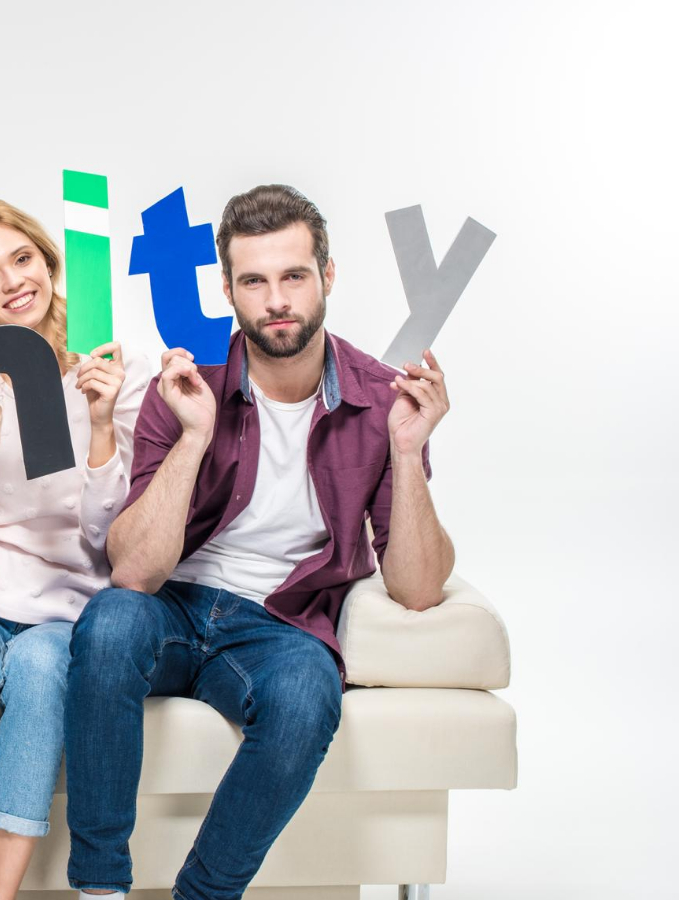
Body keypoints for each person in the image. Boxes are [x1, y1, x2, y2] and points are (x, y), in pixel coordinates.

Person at [65, 184, 456, 900]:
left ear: (327, 278)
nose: (276, 300)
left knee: (311, 693)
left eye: (294, 276)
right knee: (110, 621)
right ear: (228, 290)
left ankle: (203, 895)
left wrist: (406, 452)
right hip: (173, 605)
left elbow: (419, 587)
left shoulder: (379, 398)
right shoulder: (186, 385)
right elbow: (135, 572)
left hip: (281, 624)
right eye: (254, 281)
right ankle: (99, 888)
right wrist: (194, 435)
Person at [0, 200, 150, 900]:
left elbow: (114, 539)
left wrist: (102, 426)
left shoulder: (112, 367)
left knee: (43, 672)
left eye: (22, 259)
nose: (12, 281)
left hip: (72, 602)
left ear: (48, 260)